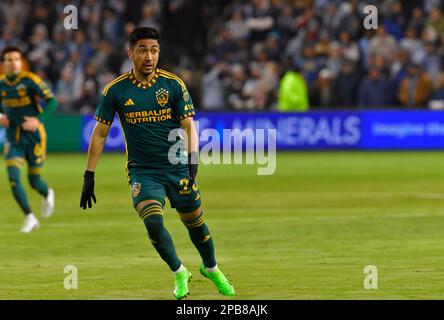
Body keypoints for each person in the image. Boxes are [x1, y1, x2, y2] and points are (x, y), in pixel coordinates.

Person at [79, 27, 234, 300]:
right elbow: (100, 133)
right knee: (152, 222)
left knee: (196, 224)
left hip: (176, 166)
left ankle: (211, 268)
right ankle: (179, 271)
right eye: (142, 50)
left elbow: (189, 125)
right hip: (143, 171)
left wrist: (193, 160)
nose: (149, 56)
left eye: (154, 50)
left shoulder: (173, 84)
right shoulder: (115, 90)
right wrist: (89, 175)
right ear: (131, 53)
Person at [0, 46, 57, 233]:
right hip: (13, 138)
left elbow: (52, 101)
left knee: (34, 181)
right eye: (9, 59)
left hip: (35, 138)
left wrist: (38, 120)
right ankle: (30, 217)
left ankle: (47, 192)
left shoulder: (30, 80)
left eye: (17, 59)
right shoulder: (1, 85)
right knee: (13, 177)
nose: (13, 63)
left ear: (21, 62)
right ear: (4, 63)